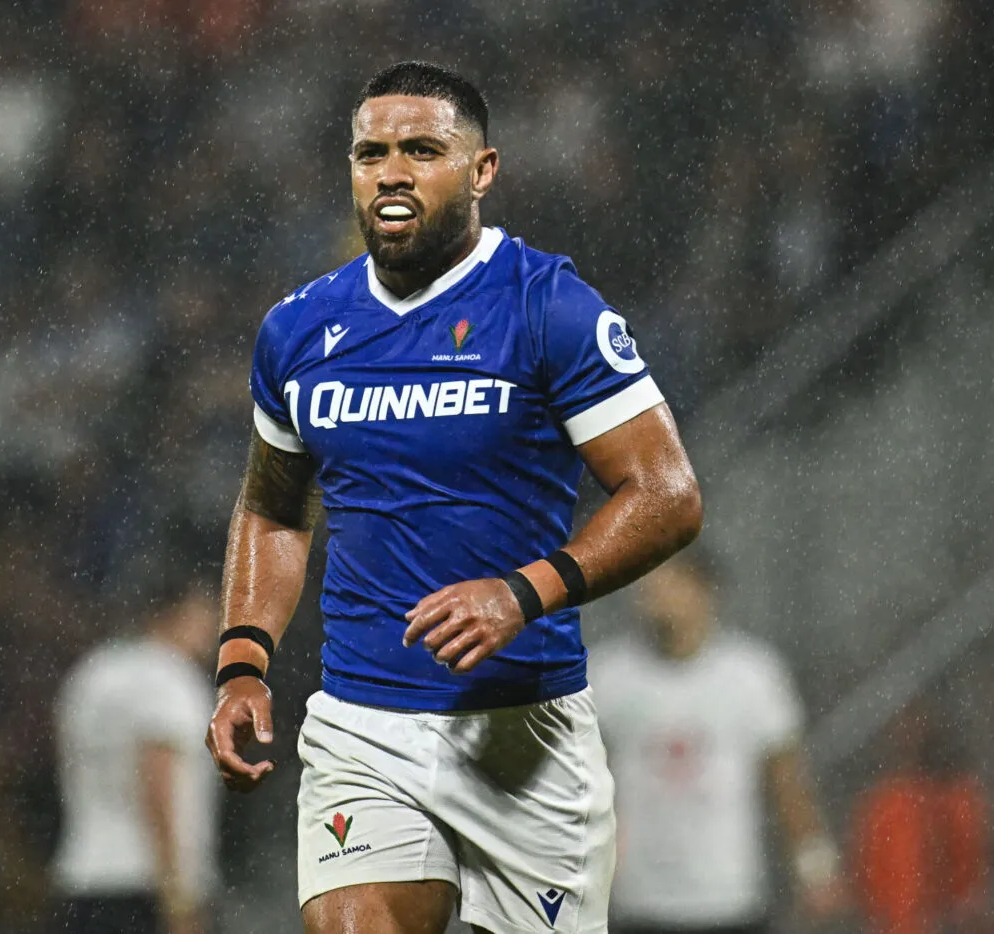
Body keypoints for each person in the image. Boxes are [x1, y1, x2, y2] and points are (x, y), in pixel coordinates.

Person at [204, 61, 703, 934]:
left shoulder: (549, 307)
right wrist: (242, 661)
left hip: (524, 737)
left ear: (482, 171)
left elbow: (667, 494)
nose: (390, 171)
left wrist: (522, 593)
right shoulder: (297, 330)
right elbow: (274, 511)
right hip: (363, 726)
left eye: (422, 150)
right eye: (371, 153)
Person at [590, 549, 844, 934]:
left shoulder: (752, 675)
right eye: (647, 582)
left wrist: (816, 867)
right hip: (638, 903)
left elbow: (787, 781)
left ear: (706, 591)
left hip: (729, 902)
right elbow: (582, 783)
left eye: (669, 582)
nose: (652, 592)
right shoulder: (606, 675)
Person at [52, 581, 221, 934]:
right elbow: (157, 783)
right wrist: (178, 897)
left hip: (82, 877)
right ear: (177, 612)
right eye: (206, 613)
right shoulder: (170, 679)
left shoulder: (92, 672)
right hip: (143, 887)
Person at [850, 700, 993, 934]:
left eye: (914, 719)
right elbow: (870, 887)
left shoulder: (959, 797)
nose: (907, 731)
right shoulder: (880, 807)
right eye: (900, 721)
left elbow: (970, 878)